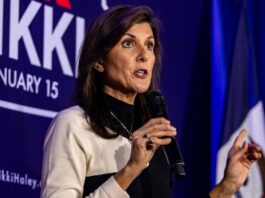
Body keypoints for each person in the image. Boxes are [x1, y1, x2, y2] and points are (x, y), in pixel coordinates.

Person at [40, 5, 262, 198]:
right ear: (99, 61)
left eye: (149, 45)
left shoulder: (153, 136)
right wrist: (131, 169)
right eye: (128, 44)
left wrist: (228, 186)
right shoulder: (75, 125)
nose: (144, 55)